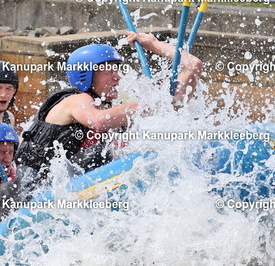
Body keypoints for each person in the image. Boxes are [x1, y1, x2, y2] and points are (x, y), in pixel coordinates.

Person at [15, 37, 203, 185]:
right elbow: (99, 121)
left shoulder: (106, 107)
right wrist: (148, 103)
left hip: (68, 182)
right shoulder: (75, 100)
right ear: (86, 75)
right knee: (110, 149)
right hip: (34, 187)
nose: (117, 77)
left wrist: (153, 44)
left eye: (117, 71)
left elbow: (193, 65)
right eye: (109, 71)